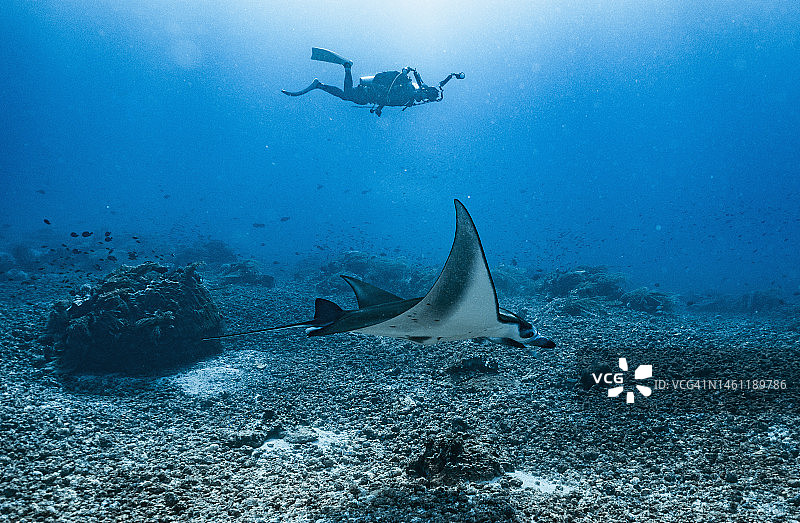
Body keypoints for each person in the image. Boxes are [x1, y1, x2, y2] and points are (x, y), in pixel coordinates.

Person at [282, 48, 464, 116]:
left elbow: (389, 100)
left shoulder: (410, 96)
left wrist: (379, 108)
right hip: (371, 92)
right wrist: (380, 106)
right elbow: (390, 97)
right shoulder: (410, 92)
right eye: (424, 97)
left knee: (348, 96)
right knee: (348, 95)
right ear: (424, 94)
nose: (421, 100)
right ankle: (346, 67)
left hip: (371, 95)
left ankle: (319, 85)